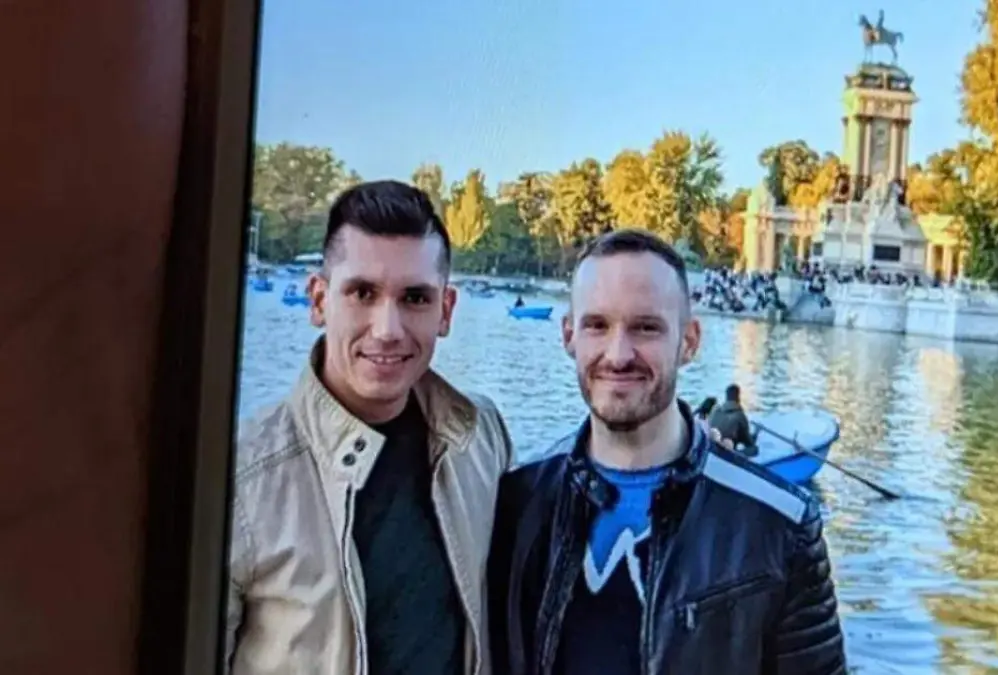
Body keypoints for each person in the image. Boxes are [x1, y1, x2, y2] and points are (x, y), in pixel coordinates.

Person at [489, 229, 845, 675]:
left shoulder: (780, 525)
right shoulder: (516, 503)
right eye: (597, 325)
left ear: (689, 341)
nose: (619, 355)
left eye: (646, 327)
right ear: (569, 336)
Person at [226, 180, 513, 675]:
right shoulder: (242, 478)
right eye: (362, 293)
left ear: (445, 311)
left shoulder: (481, 438)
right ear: (319, 300)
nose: (387, 329)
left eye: (415, 298)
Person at [708, 384, 759, 457]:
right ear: (738, 397)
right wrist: (754, 436)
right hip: (727, 451)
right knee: (754, 449)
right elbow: (748, 442)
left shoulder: (715, 410)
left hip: (711, 446)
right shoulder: (740, 415)